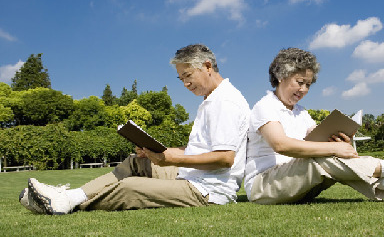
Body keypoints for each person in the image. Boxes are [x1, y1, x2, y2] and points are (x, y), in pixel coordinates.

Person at [20, 44, 250, 215]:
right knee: (137, 162)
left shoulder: (225, 102)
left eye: (188, 76)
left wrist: (171, 159)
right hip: (193, 176)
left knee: (129, 187)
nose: (185, 84)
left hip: (209, 191)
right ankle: (69, 197)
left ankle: (63, 203)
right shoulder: (212, 100)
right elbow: (201, 147)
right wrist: (160, 151)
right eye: (180, 78)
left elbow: (224, 158)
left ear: (207, 66)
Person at [244, 47, 384, 205]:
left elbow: (316, 139)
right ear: (281, 76)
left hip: (298, 180)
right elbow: (281, 145)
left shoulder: (301, 112)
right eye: (300, 82)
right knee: (322, 157)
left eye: (308, 84)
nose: (304, 89)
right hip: (264, 186)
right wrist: (333, 148)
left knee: (326, 154)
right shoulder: (265, 106)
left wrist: (339, 139)